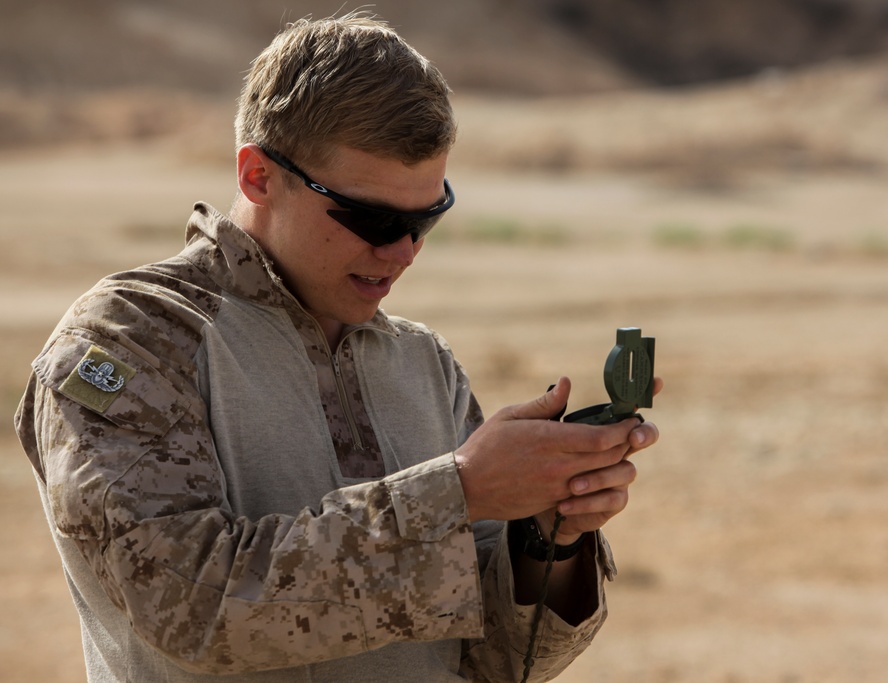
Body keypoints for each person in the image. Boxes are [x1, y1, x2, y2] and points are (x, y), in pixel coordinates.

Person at [14, 12, 660, 682]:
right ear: (258, 175)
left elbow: (495, 658)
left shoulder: (422, 362)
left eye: (425, 218)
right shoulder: (130, 340)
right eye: (373, 219)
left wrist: (547, 530)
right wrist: (461, 491)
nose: (403, 251)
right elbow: (189, 609)